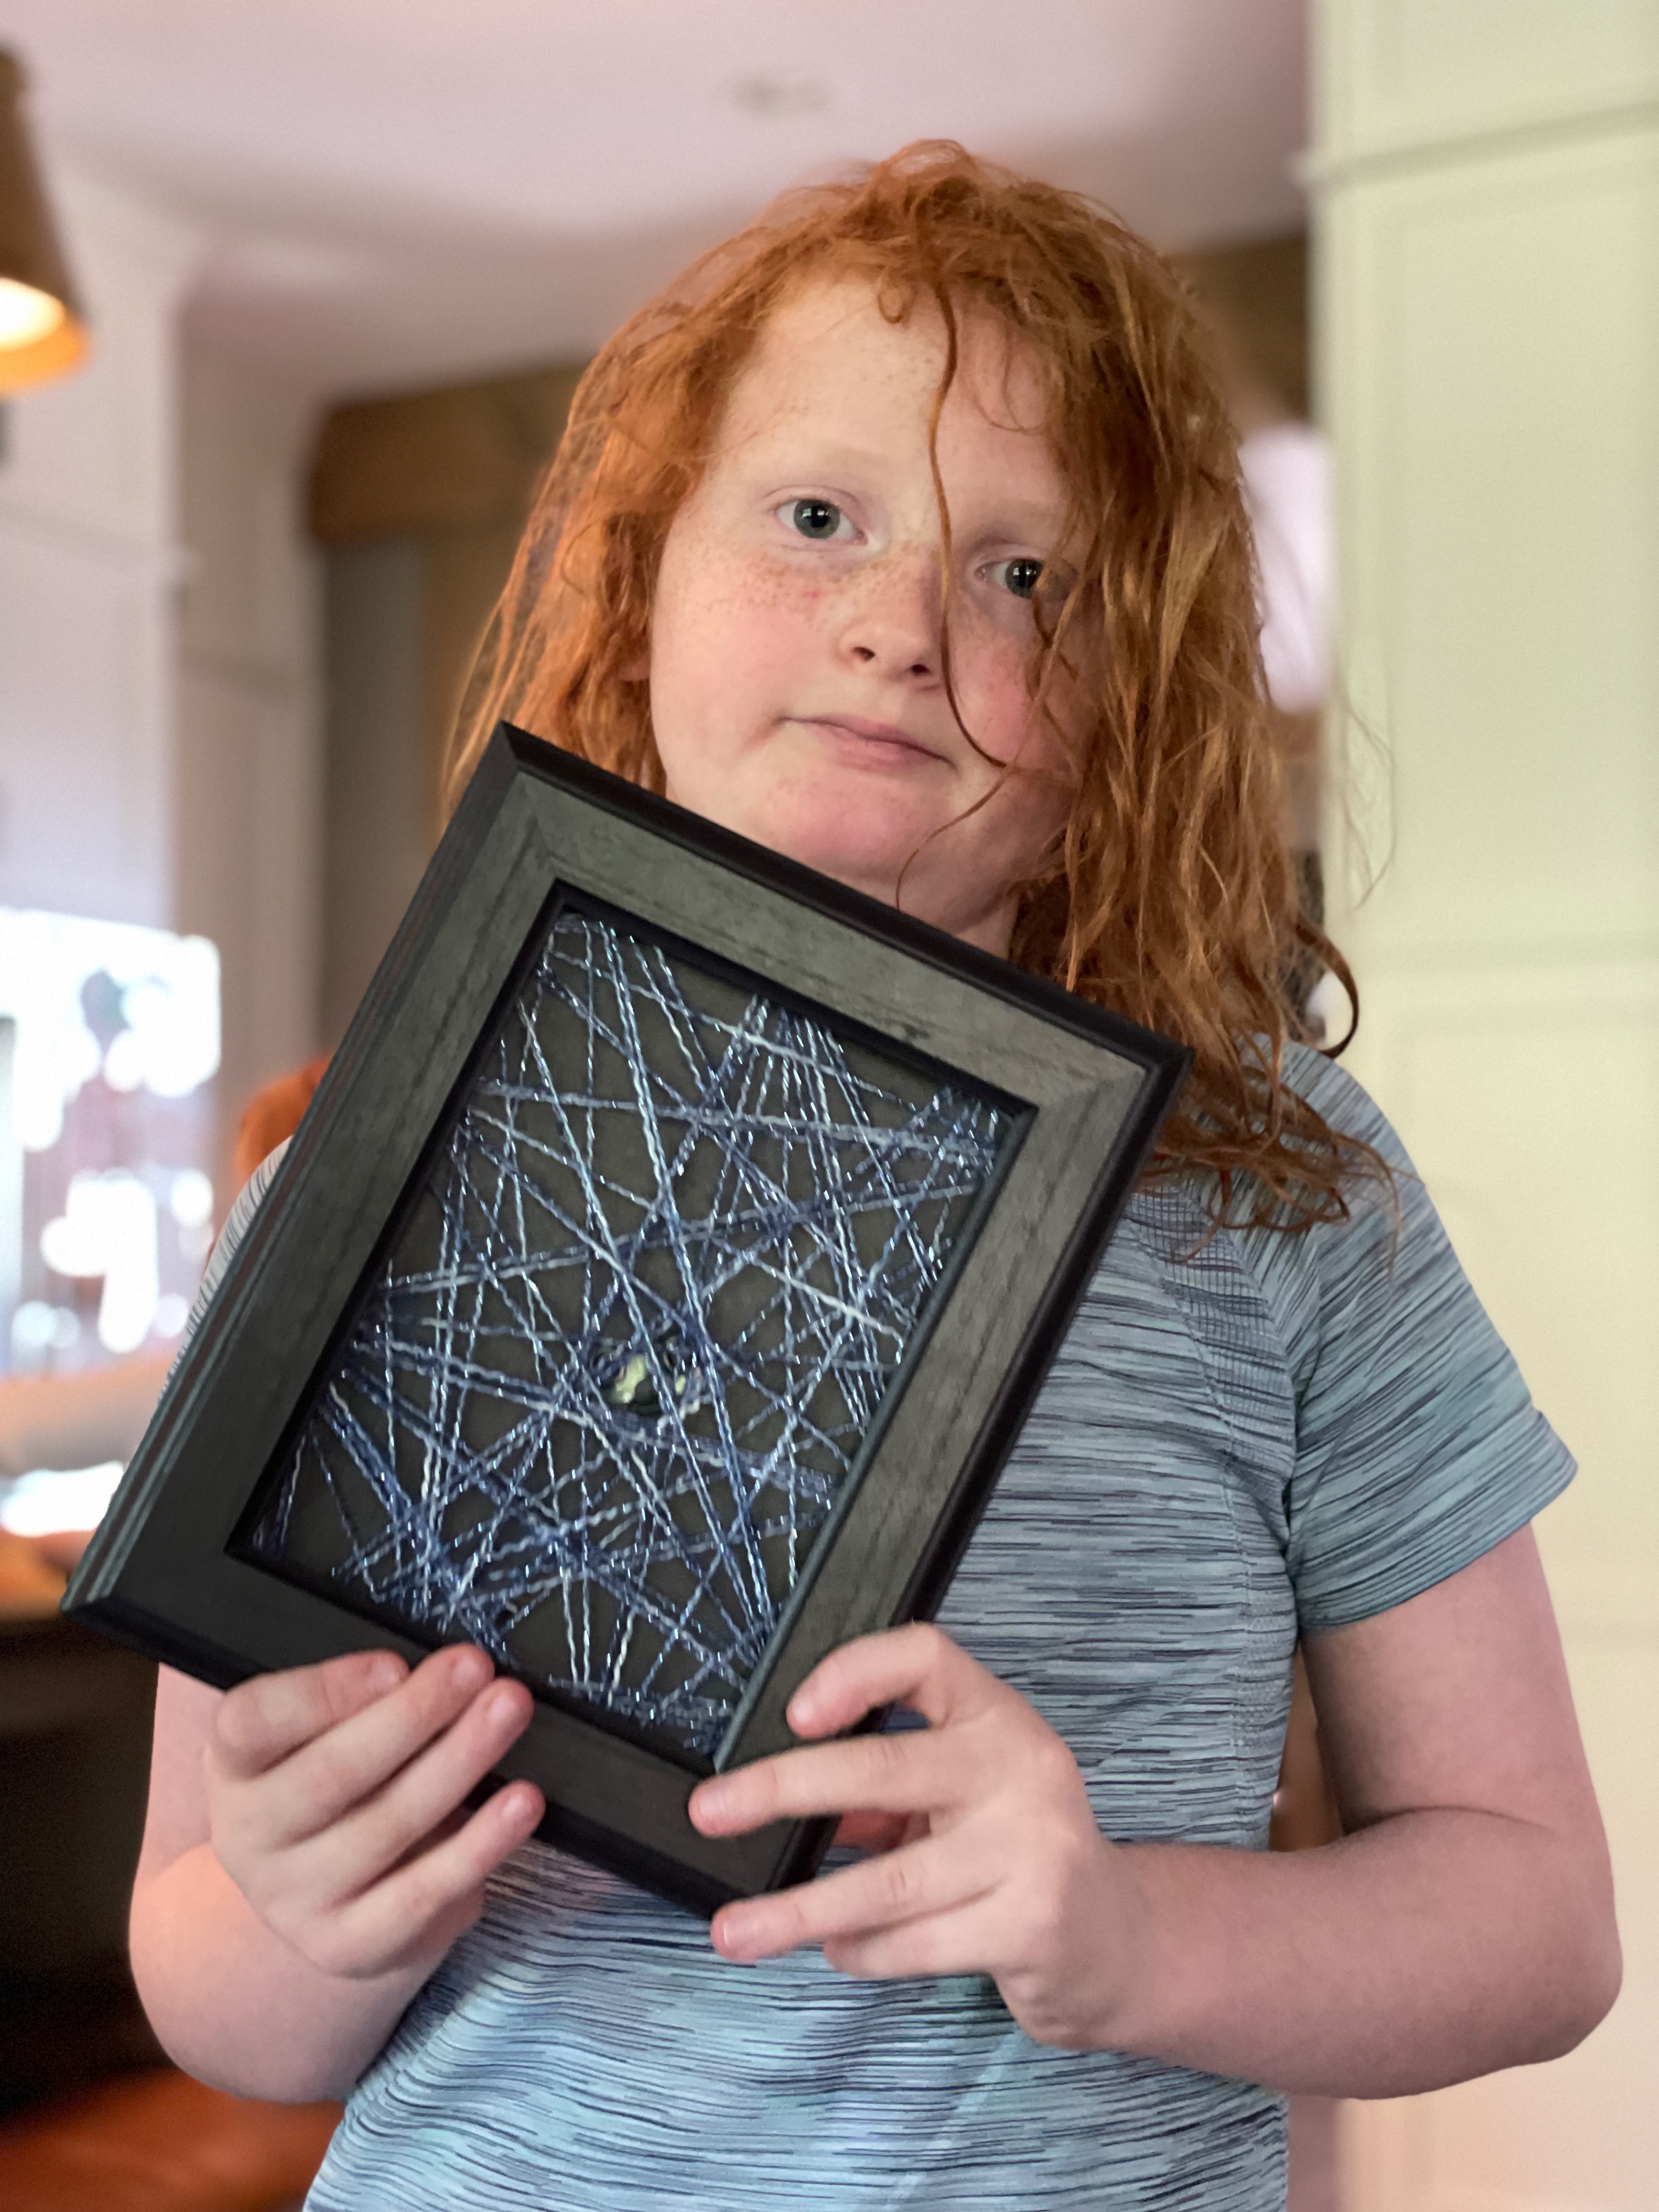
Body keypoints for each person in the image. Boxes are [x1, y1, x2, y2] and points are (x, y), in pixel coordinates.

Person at [127, 144, 1619, 2211]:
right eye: (817, 518)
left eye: (1029, 577)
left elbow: (1539, 1920)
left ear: (1132, 698)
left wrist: (1128, 1935)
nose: (902, 627)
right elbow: (212, 1986)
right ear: (645, 572)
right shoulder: (374, 1170)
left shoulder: (1292, 1197)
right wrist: (307, 1913)